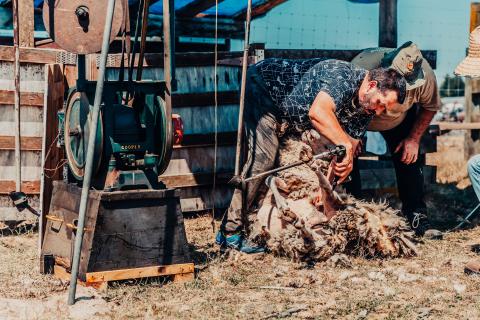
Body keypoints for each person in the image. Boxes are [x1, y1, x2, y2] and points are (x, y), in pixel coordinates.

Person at [216, 58, 407, 253]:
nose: (378, 111)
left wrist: (326, 188)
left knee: (334, 157)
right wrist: (346, 147)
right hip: (264, 87)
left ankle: (255, 223)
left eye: (384, 109)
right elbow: (318, 112)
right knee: (263, 160)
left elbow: (342, 152)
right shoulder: (342, 77)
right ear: (372, 86)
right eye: (379, 103)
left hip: (290, 113)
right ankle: (230, 232)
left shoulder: (365, 110)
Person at [349, 41, 442, 238]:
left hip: (399, 119)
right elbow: (344, 102)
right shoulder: (362, 67)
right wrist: (351, 136)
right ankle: (352, 218)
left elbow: (430, 106)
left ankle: (416, 216)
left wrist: (414, 138)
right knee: (348, 154)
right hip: (360, 115)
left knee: (409, 157)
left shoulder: (426, 76)